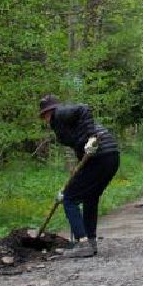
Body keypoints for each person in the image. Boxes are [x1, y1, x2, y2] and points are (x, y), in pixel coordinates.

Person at [38, 94, 120, 258]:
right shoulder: (61, 124)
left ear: (51, 110)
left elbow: (84, 108)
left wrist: (91, 138)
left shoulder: (60, 113)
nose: (45, 118)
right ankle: (90, 241)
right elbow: (79, 146)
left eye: (45, 114)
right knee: (90, 197)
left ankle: (82, 244)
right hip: (110, 157)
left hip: (101, 155)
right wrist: (75, 177)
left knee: (69, 199)